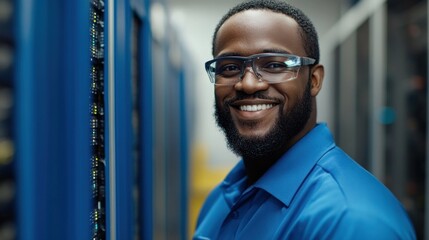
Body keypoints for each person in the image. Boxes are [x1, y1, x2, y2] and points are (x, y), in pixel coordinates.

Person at [193, 0, 416, 239]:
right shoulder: (222, 197)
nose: (248, 83)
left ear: (314, 80)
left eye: (275, 65)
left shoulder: (351, 221)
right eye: (229, 68)